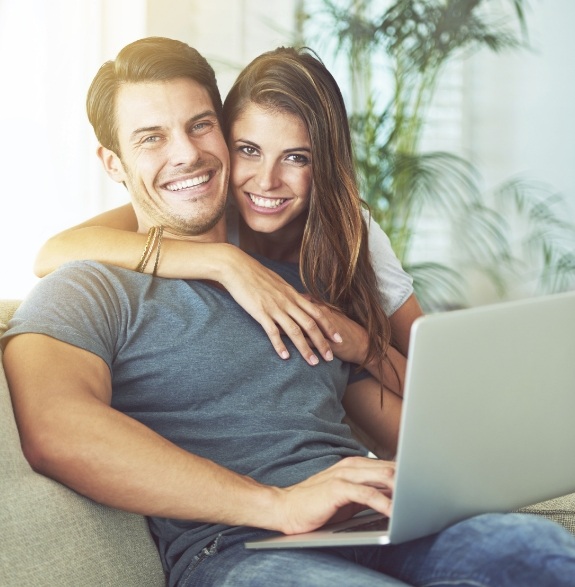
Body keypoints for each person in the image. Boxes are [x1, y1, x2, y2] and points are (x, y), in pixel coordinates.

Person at [3, 37, 575, 587]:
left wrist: (458, 462)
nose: (186, 153)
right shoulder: (88, 288)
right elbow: (57, 431)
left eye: (200, 125)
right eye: (151, 137)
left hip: (370, 519)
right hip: (234, 549)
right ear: (113, 163)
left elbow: (422, 433)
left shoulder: (299, 279)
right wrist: (278, 504)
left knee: (541, 555)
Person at [34, 48, 422, 367]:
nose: (266, 181)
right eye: (249, 150)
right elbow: (55, 252)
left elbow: (436, 379)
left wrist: (362, 348)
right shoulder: (210, 207)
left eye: (297, 158)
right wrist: (226, 262)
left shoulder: (352, 232)